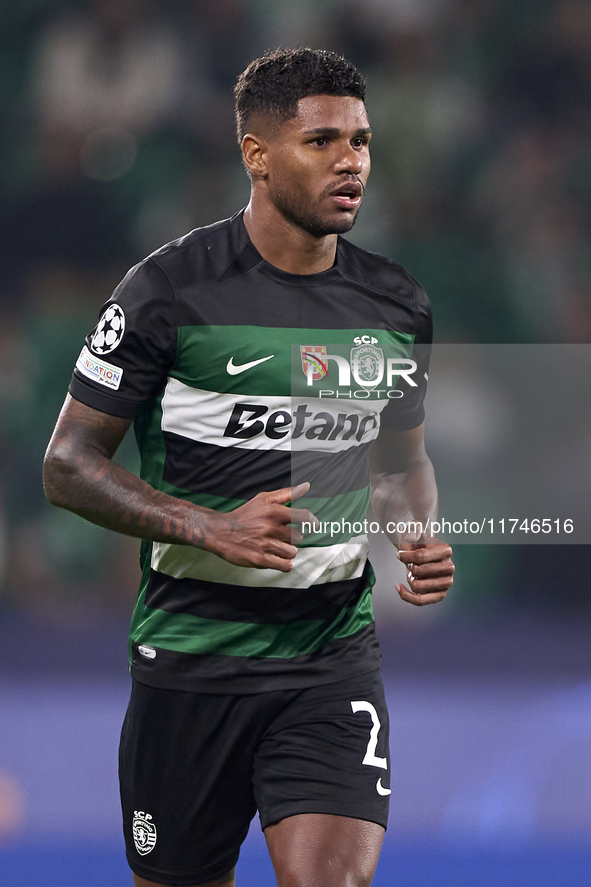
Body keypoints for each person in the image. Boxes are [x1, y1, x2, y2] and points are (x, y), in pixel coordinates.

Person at [43, 48, 454, 887]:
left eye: (363, 141)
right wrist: (209, 526)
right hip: (190, 659)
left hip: (328, 657)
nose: (351, 162)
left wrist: (416, 529)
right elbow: (68, 464)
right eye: (322, 141)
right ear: (256, 156)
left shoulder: (395, 306)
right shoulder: (165, 292)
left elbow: (400, 460)